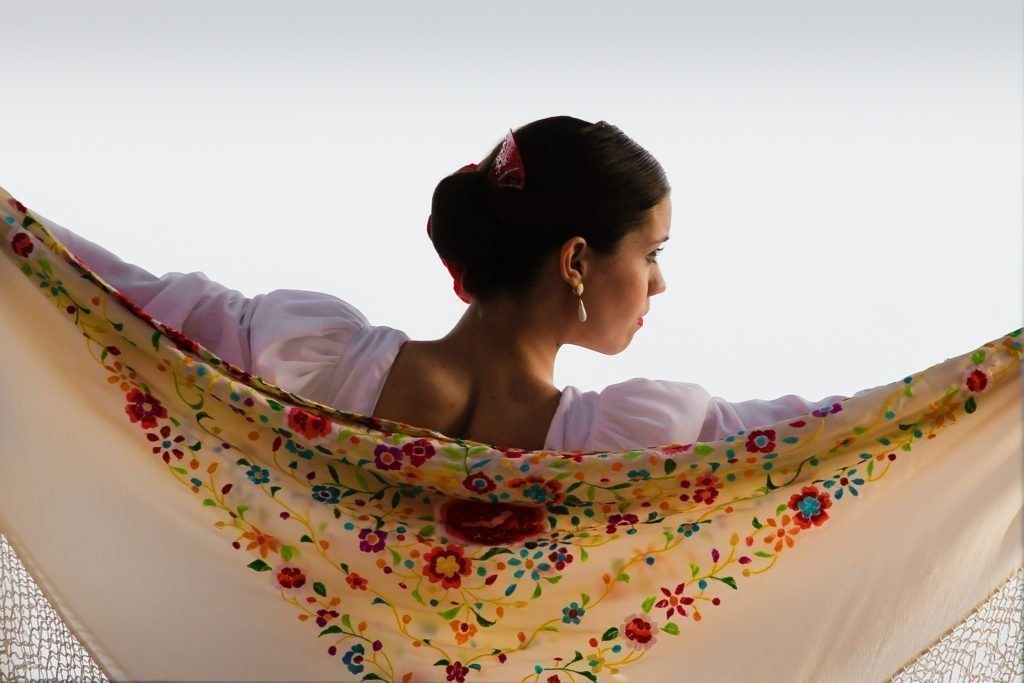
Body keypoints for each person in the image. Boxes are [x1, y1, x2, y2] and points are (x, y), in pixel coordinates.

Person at [36, 116, 874, 453]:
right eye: (652, 252)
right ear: (576, 260)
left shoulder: (308, 356)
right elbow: (832, 436)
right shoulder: (633, 445)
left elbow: (96, 290)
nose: (660, 283)